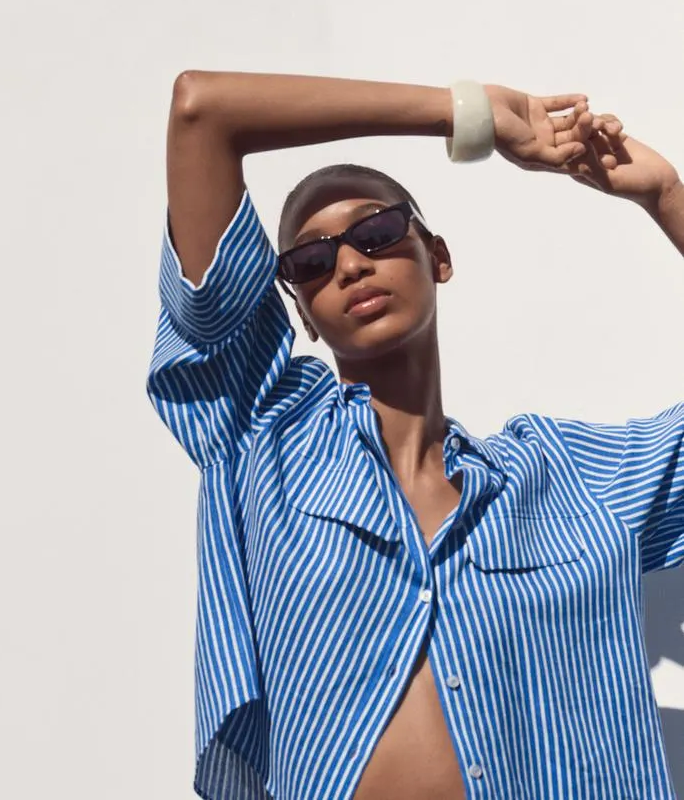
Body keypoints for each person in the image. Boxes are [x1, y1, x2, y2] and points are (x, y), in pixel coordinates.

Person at [147, 70, 684, 800]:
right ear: (302, 311)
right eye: (309, 263)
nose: (348, 262)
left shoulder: (565, 479)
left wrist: (664, 196)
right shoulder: (264, 439)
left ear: (439, 256)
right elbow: (200, 110)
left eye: (376, 231)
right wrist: (470, 116)